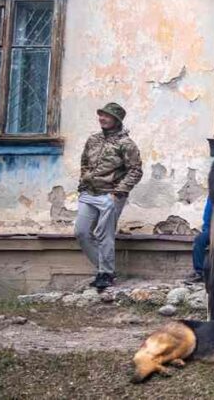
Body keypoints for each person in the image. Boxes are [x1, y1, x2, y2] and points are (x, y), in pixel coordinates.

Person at [75, 102, 143, 290]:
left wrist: (118, 192)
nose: (102, 118)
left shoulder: (126, 144)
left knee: (104, 234)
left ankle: (105, 274)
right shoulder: (93, 139)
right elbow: (84, 162)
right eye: (101, 115)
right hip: (89, 193)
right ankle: (105, 270)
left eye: (107, 116)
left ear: (116, 120)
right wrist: (83, 182)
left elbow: (135, 171)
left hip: (111, 195)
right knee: (81, 232)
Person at [184, 197, 213, 284]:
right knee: (199, 240)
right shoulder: (213, 196)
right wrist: (206, 229)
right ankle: (199, 273)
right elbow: (207, 215)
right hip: (212, 229)